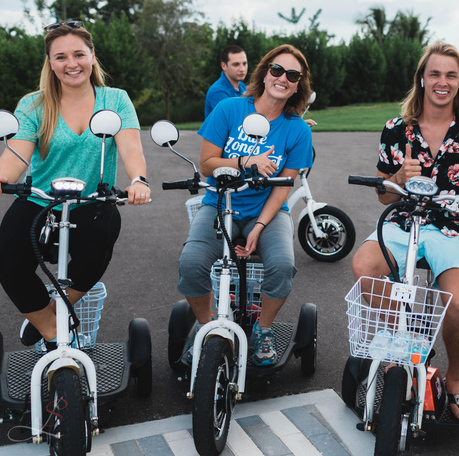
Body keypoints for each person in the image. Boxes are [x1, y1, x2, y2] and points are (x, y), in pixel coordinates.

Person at [351, 41, 459, 421]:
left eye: (451, 75)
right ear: (422, 79)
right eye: (435, 73)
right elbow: (382, 194)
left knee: (457, 303)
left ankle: (455, 379)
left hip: (454, 227)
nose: (442, 81)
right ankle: (405, 350)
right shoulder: (396, 129)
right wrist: (394, 178)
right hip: (404, 221)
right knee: (364, 267)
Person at [0, 20, 150, 350]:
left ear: (92, 56)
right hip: (41, 200)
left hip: (93, 201)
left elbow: (130, 148)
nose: (71, 64)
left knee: (104, 233)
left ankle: (57, 309)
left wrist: (139, 180)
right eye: (61, 57)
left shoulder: (116, 99)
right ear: (50, 63)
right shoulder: (34, 104)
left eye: (79, 54)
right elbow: (15, 158)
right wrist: (2, 177)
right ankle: (53, 332)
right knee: (6, 257)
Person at [177, 44, 313, 366]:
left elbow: (282, 188)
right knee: (191, 264)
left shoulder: (298, 130)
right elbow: (207, 164)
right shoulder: (229, 109)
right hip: (219, 204)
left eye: (292, 75)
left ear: (298, 85)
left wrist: (262, 226)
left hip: (266, 210)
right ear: (265, 72)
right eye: (277, 70)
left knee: (281, 266)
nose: (282, 78)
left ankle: (263, 329)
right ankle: (205, 325)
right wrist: (245, 161)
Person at [204, 45, 248, 119]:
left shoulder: (242, 86)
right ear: (224, 66)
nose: (242, 69)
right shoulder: (218, 92)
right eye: (236, 64)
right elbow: (235, 120)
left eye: (244, 63)